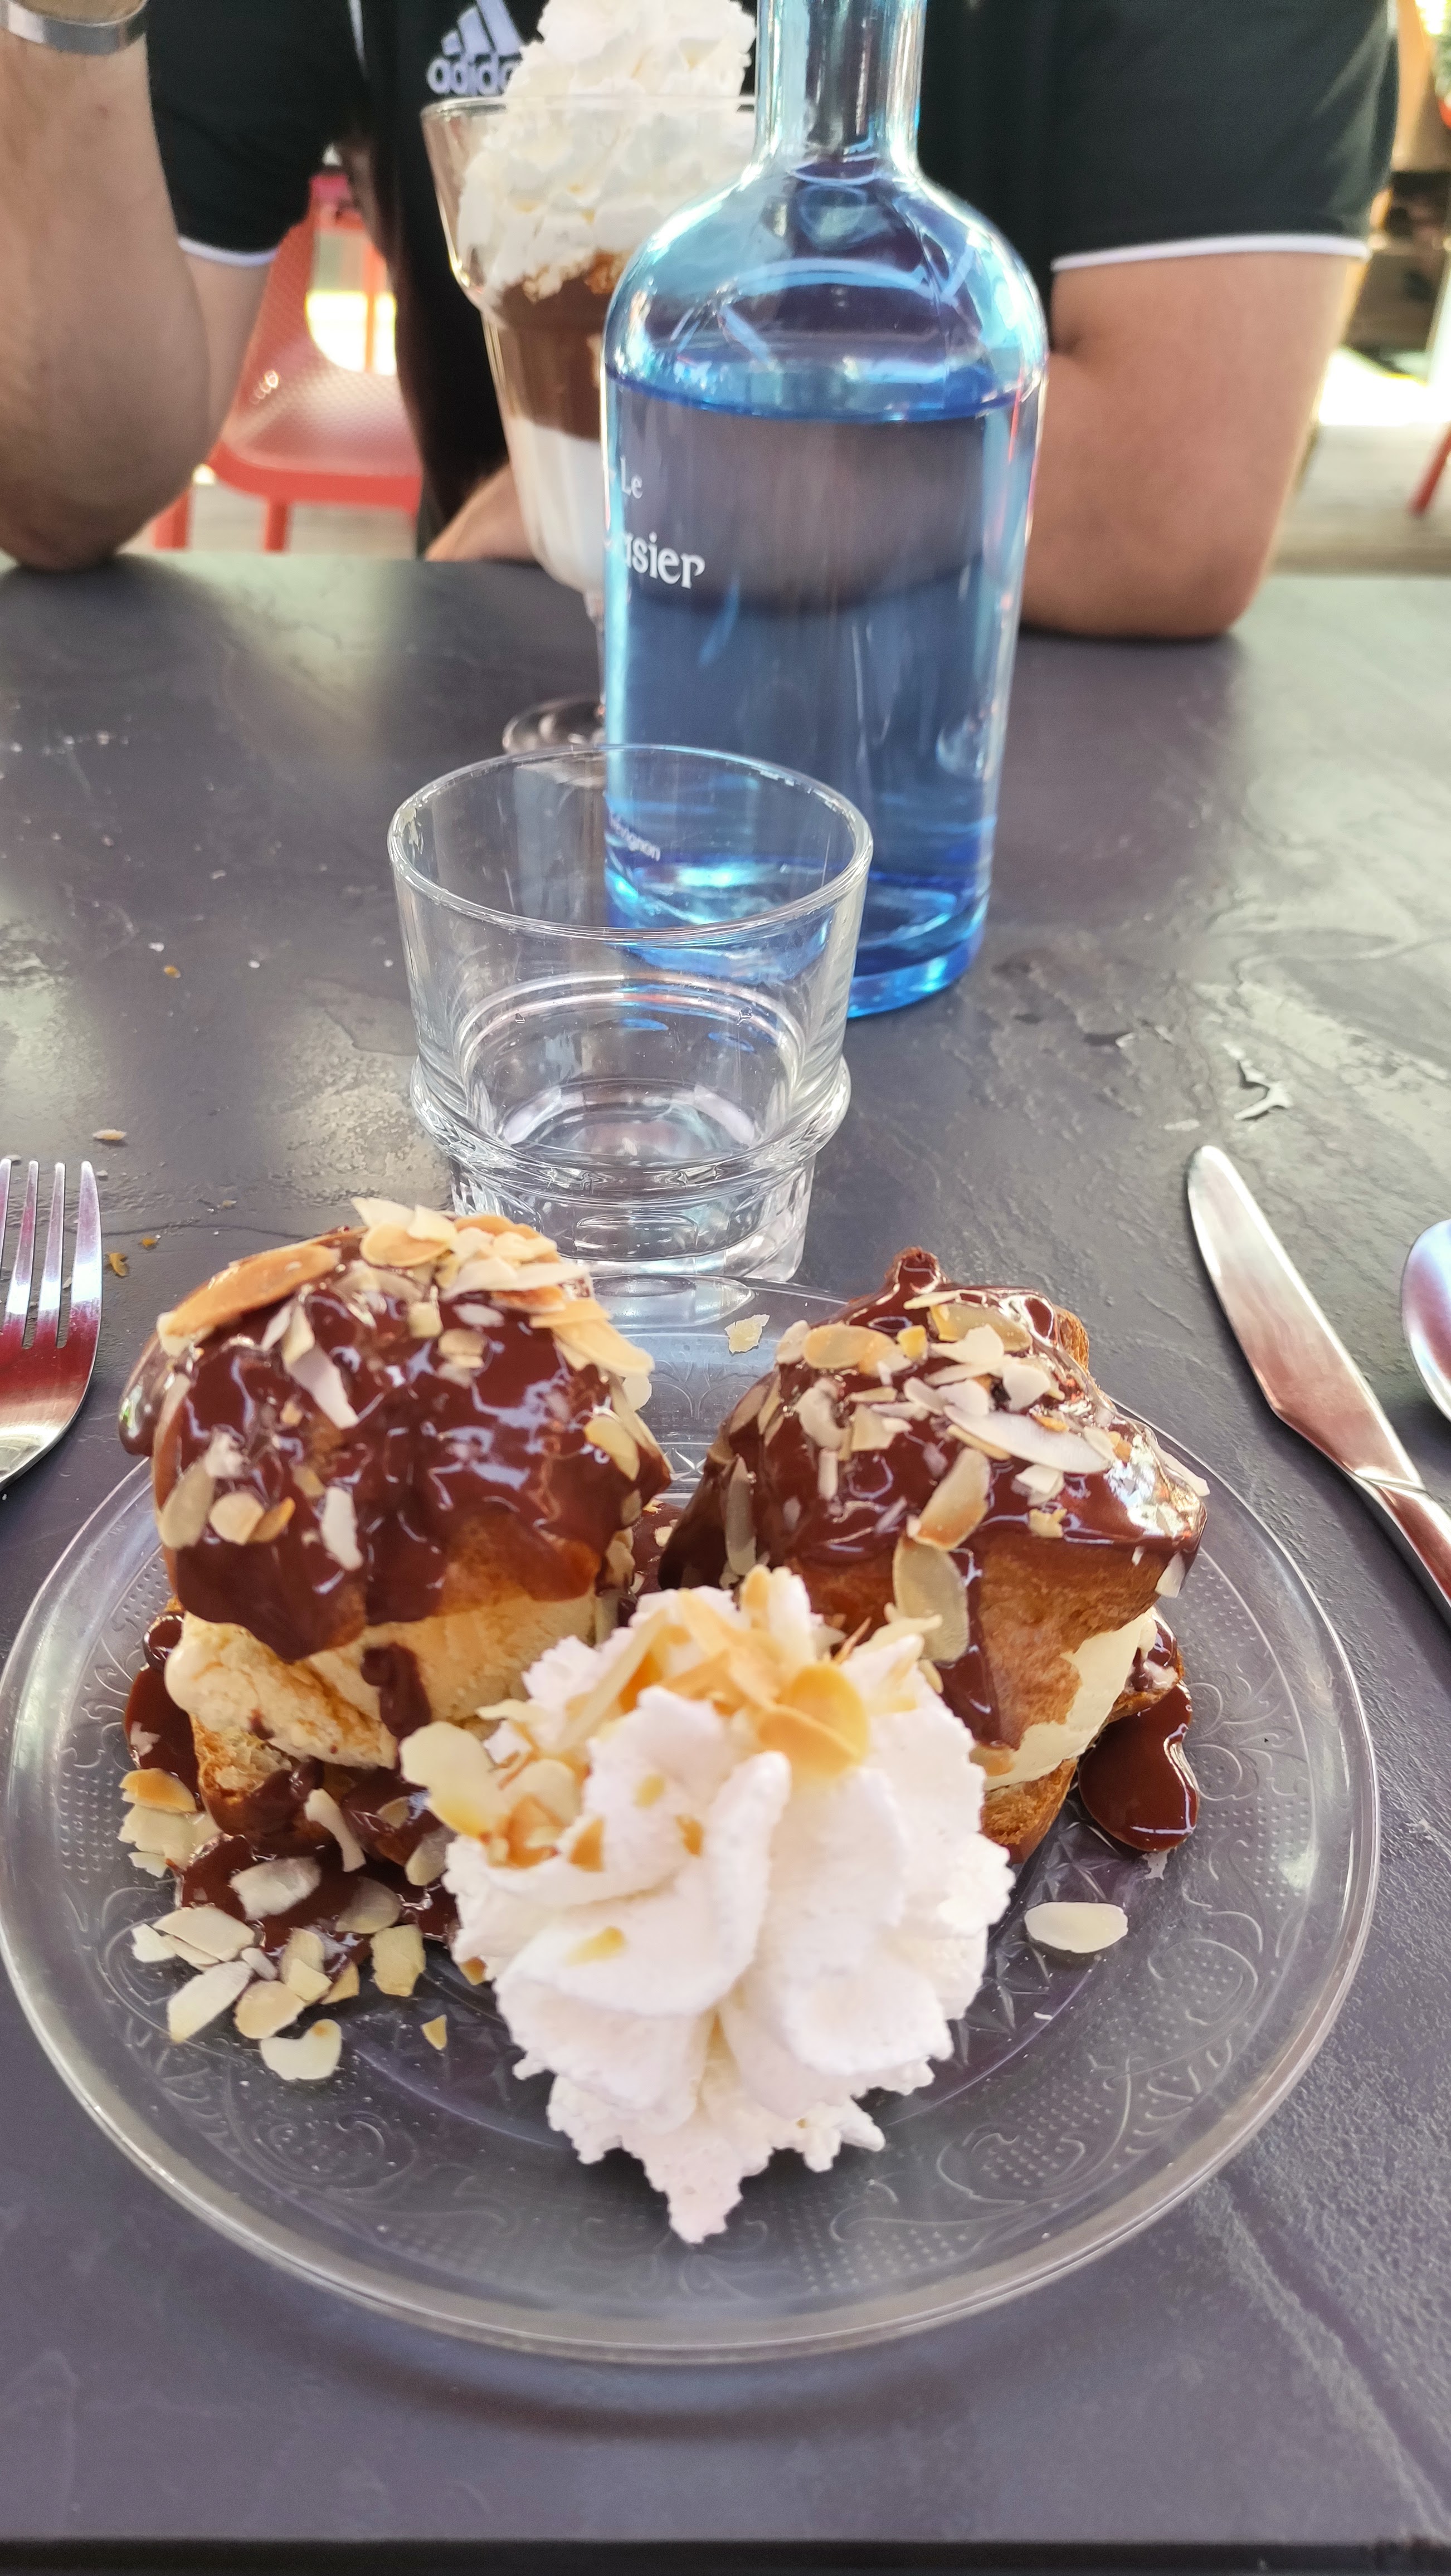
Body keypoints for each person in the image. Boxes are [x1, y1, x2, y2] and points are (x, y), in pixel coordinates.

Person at [0, 0, 1395, 636]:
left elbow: (1176, 499)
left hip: (987, 739)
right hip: (507, 710)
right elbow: (67, 490)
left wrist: (647, 483)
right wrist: (65, 25)